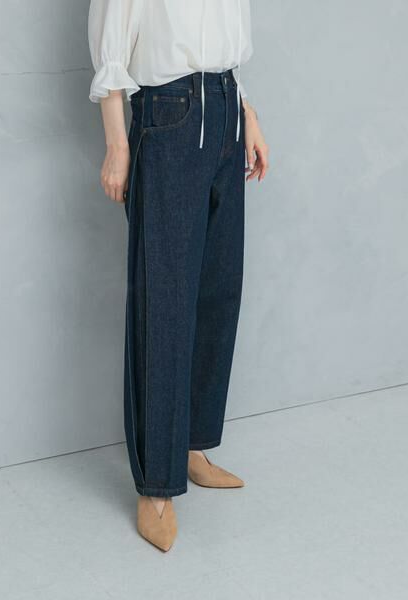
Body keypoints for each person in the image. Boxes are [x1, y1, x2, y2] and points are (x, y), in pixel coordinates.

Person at [88, 0, 269, 552]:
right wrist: (117, 145)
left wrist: (249, 116)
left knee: (217, 290)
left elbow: (223, 51)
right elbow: (112, 49)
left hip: (227, 109)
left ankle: (191, 445)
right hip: (167, 115)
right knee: (163, 304)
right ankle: (156, 485)